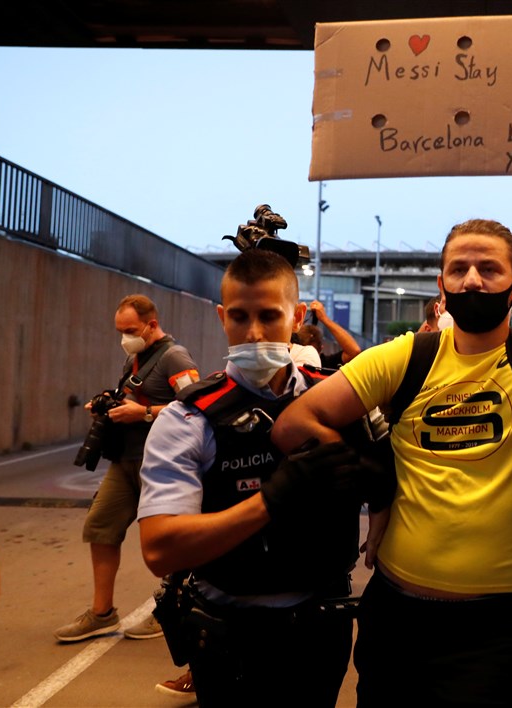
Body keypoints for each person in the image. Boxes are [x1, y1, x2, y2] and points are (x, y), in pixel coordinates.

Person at [269, 93, 512, 708]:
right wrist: (371, 473)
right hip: (395, 613)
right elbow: (295, 423)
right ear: (442, 285)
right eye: (459, 268)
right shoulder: (406, 356)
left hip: (495, 629)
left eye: (489, 269)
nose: (473, 278)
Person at [137, 249, 378, 706]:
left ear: (297, 315)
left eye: (269, 316)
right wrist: (273, 499)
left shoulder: (340, 398)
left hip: (321, 629)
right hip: (231, 636)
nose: (253, 332)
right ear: (222, 317)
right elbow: (160, 547)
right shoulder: (188, 418)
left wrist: (377, 486)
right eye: (240, 317)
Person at [54, 295, 199, 643]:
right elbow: (138, 399)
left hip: (162, 463)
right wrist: (111, 407)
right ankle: (102, 612)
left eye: (130, 330)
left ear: (152, 324)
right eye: (120, 331)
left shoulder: (174, 356)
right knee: (100, 526)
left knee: (169, 543)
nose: (124, 338)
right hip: (126, 460)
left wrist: (144, 414)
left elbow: (197, 408)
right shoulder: (135, 359)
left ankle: (171, 609)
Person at [309, 299, 362, 366]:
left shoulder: (322, 363)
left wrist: (324, 319)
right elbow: (354, 351)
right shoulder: (323, 366)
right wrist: (324, 319)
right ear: (321, 348)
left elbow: (354, 351)